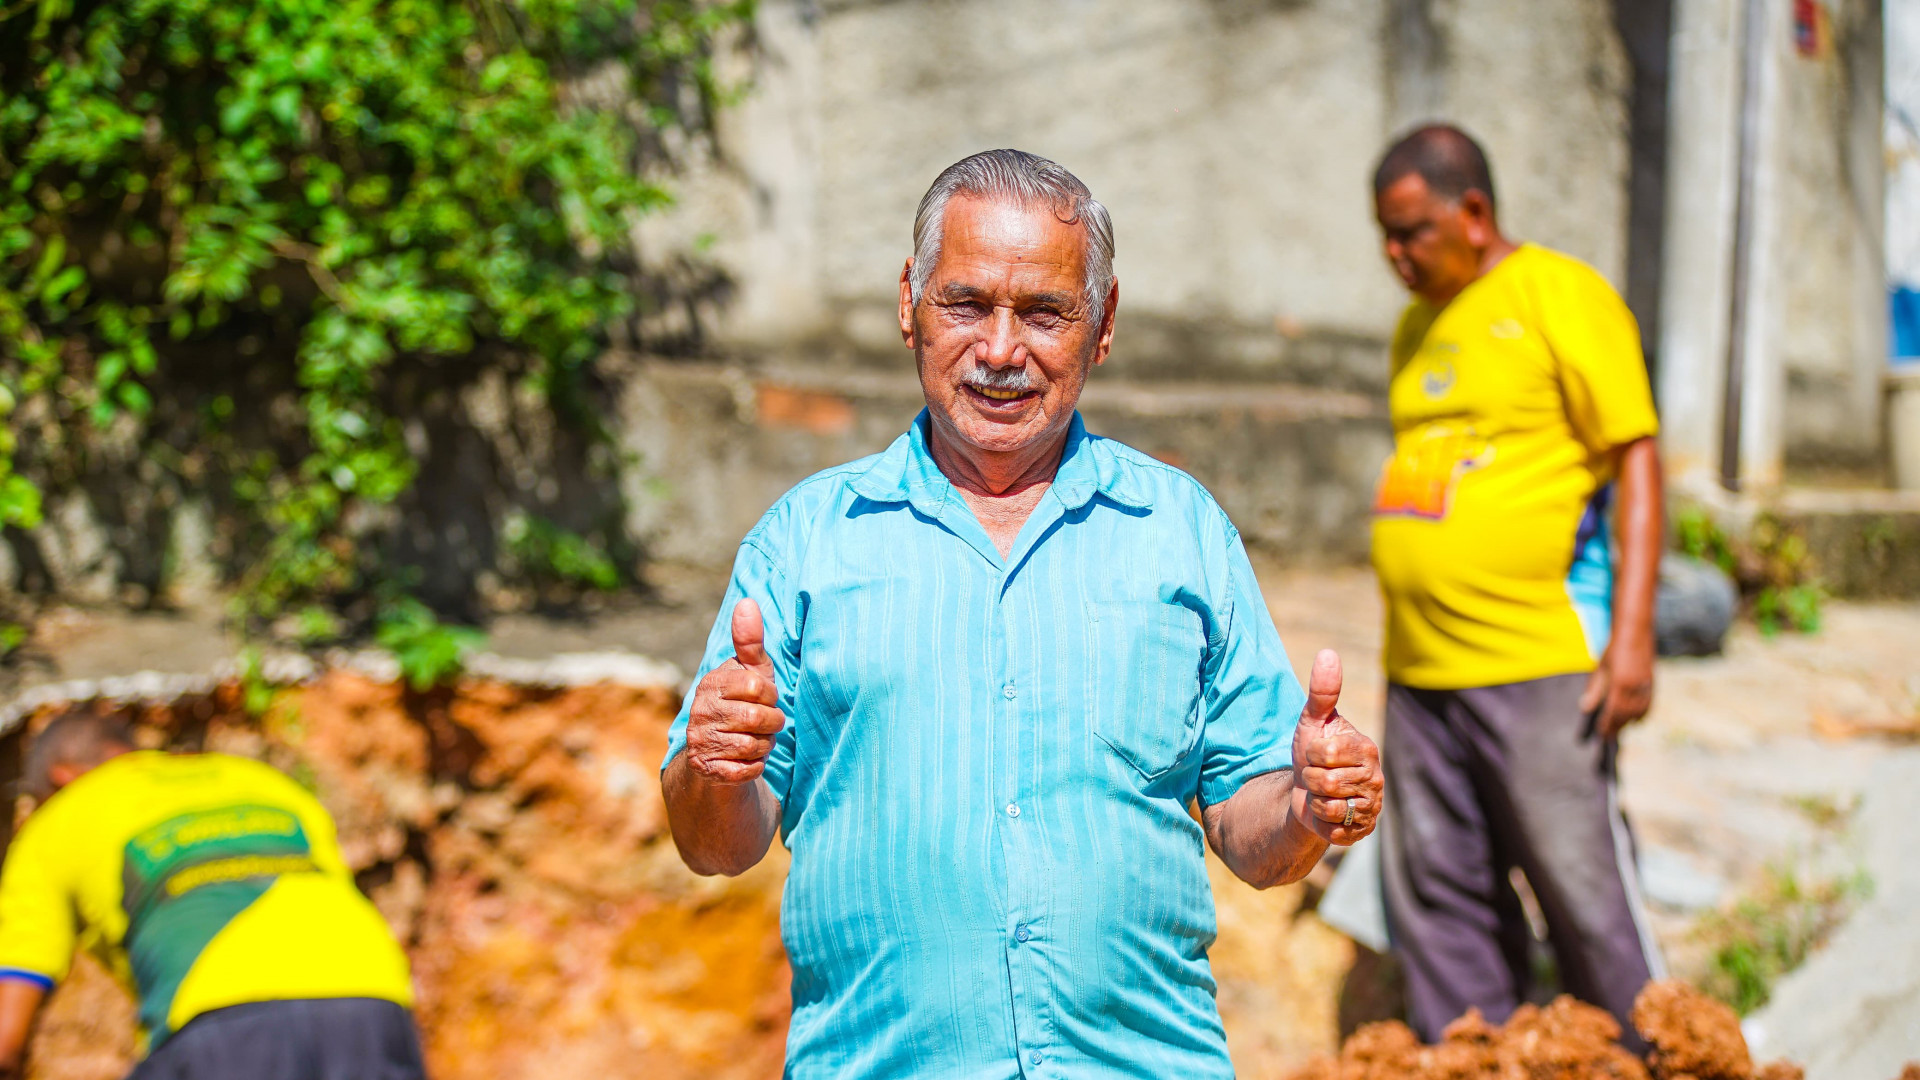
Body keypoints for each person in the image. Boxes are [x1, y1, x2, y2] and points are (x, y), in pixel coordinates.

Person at [663, 149, 1385, 1078]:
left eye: (1045, 313)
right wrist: (714, 767)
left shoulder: (1180, 532)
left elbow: (1255, 836)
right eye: (965, 304)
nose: (1002, 351)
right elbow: (714, 846)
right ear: (909, 303)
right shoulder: (803, 543)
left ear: (1104, 323)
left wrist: (1308, 806)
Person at [1366, 124, 1666, 1044]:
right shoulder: (1416, 327)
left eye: (1412, 232)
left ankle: (1650, 1054)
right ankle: (1475, 1058)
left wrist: (1634, 636)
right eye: (1384, 235)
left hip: (1536, 661)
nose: (1395, 254)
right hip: (1420, 672)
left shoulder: (1558, 295)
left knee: (1584, 894)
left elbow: (1637, 459)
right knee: (1439, 898)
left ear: (1474, 212)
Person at [0, 711, 425, 1080]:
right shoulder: (261, 782)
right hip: (373, 998)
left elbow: (5, 1037)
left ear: (60, 778)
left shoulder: (58, 820)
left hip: (220, 1015)